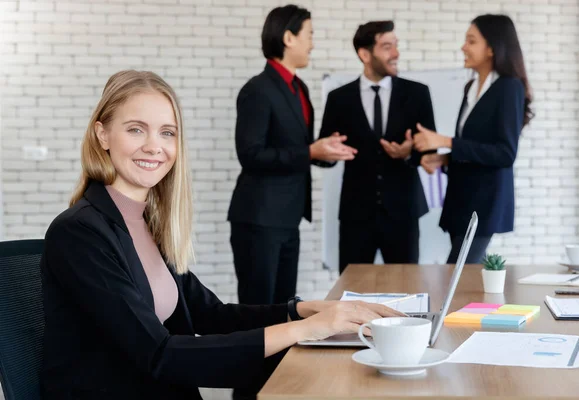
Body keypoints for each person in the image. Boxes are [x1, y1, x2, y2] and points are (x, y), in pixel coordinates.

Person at [40, 70, 400, 400]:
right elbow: (158, 354)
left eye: (167, 132)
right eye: (136, 129)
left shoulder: (147, 222)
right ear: (102, 134)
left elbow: (212, 314)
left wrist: (303, 311)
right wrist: (305, 330)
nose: (155, 146)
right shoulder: (80, 233)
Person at [227, 5, 357, 304]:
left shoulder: (299, 88)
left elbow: (297, 150)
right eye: (309, 34)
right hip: (259, 218)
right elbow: (250, 154)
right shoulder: (257, 90)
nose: (313, 43)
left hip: (288, 217)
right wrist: (311, 150)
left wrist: (325, 151)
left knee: (284, 305)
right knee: (258, 306)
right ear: (288, 37)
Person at [318, 21, 436, 274]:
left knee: (407, 291)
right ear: (364, 54)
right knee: (350, 292)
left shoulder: (417, 94)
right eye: (386, 47)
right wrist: (326, 153)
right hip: (355, 215)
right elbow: (324, 155)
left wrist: (408, 153)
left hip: (403, 213)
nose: (395, 53)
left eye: (396, 45)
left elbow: (430, 153)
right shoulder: (338, 99)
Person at [415, 14, 534, 264]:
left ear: (492, 48)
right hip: (460, 202)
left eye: (471, 41)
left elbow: (505, 153)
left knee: (456, 277)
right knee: (463, 281)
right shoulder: (472, 87)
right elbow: (476, 146)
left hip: (484, 205)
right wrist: (443, 160)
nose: (463, 47)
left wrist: (445, 141)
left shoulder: (509, 87)